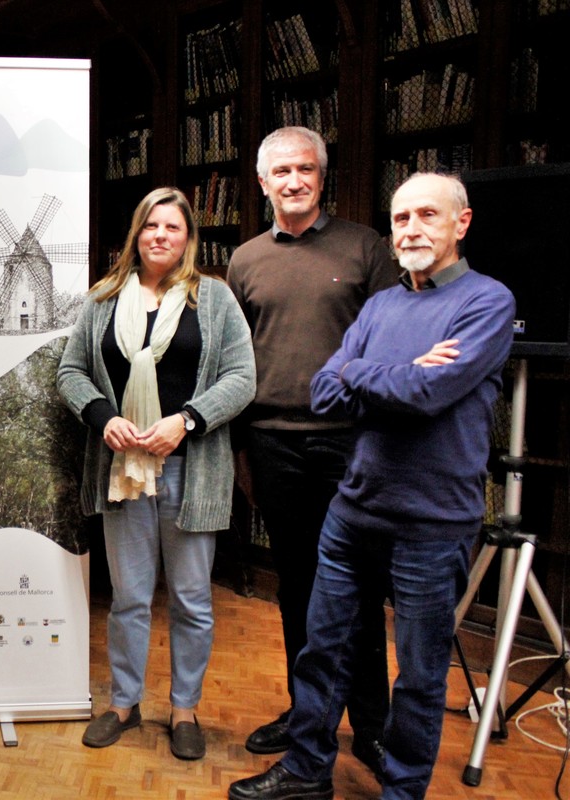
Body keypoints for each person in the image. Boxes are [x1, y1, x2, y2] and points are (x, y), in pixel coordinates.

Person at [229, 173, 516, 800]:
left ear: (460, 224)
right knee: (322, 650)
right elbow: (324, 391)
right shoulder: (382, 306)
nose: (411, 229)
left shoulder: (487, 303)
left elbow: (428, 393)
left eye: (426, 216)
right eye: (401, 218)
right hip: (353, 511)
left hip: (432, 522)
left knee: (417, 674)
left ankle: (403, 790)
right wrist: (387, 371)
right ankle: (307, 771)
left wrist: (366, 373)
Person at [58, 187, 255, 760]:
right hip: (124, 471)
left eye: (173, 227)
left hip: (191, 473)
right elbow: (72, 371)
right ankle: (123, 702)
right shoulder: (102, 300)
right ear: (136, 236)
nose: (160, 236)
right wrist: (104, 418)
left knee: (192, 599)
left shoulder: (213, 300)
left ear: (188, 239)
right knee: (128, 597)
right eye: (150, 226)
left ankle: (185, 708)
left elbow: (242, 378)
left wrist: (187, 421)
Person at [226, 126, 396, 770]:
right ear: (262, 183)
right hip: (272, 445)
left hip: (351, 447)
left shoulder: (366, 248)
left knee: (357, 587)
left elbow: (388, 347)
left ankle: (373, 726)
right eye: (281, 172)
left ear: (321, 177)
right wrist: (241, 452)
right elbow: (236, 363)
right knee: (296, 586)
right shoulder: (244, 260)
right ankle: (308, 712)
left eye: (306, 169)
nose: (294, 181)